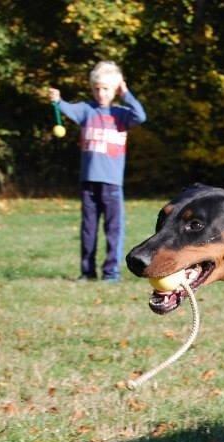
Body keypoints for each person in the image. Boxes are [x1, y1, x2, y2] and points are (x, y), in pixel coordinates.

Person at [48, 61, 146, 282]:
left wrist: (126, 93)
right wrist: (57, 100)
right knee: (88, 230)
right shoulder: (86, 110)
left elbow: (141, 116)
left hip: (112, 184)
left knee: (113, 230)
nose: (101, 93)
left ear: (115, 90)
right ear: (92, 89)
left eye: (106, 89)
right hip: (88, 183)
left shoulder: (122, 115)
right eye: (97, 88)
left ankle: (111, 272)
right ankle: (87, 271)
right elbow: (65, 107)